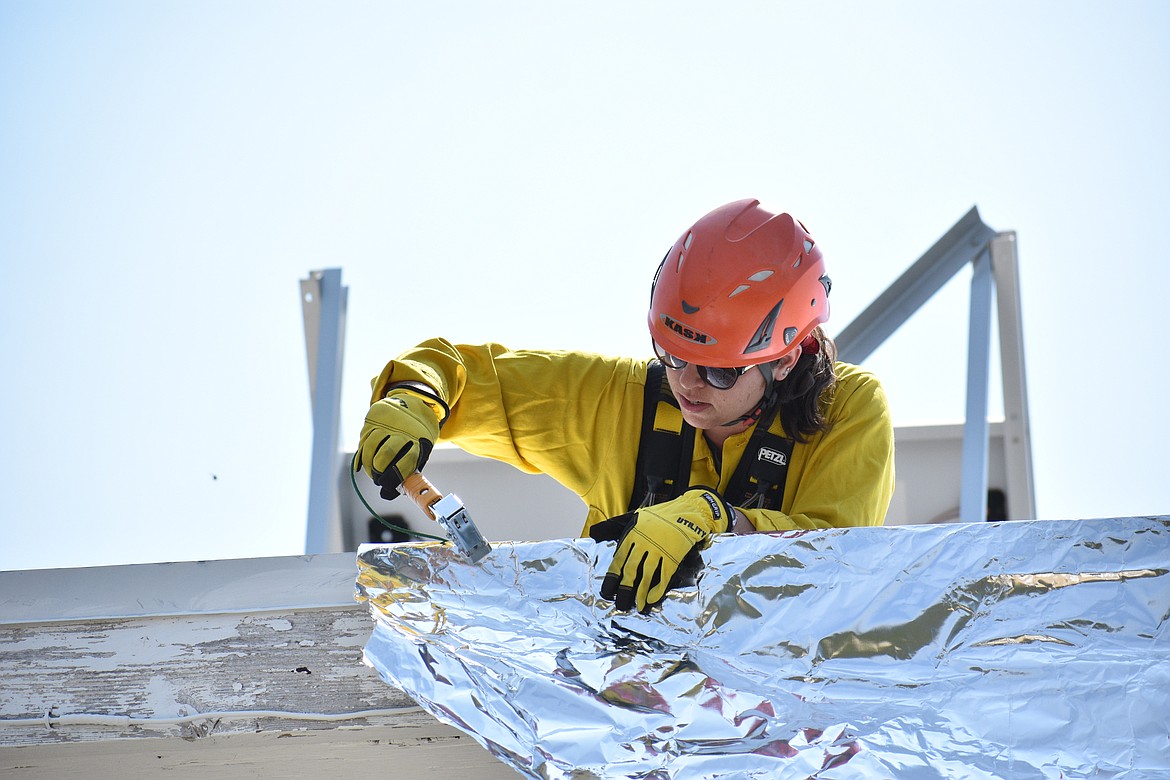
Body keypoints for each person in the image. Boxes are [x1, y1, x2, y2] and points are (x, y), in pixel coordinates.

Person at [356, 199, 895, 613]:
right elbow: (472, 376)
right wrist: (416, 396)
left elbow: (835, 560)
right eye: (673, 355)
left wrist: (723, 522)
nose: (687, 383)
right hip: (621, 705)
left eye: (719, 370)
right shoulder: (628, 400)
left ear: (786, 359)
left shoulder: (847, 409)